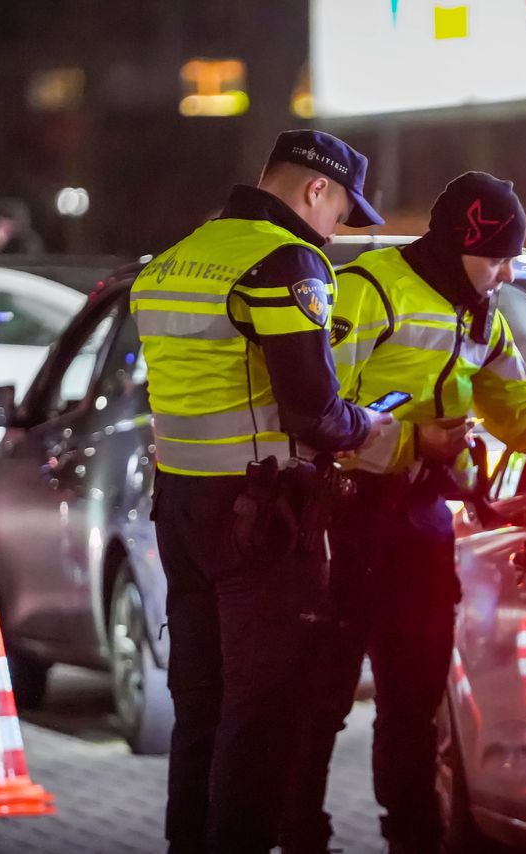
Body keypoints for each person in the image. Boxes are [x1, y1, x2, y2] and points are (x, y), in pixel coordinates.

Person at [280, 172, 526, 853]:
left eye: (513, 256)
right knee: (320, 702)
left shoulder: (482, 313)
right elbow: (318, 414)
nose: (506, 272)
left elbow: (520, 413)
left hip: (418, 525)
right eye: (496, 256)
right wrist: (410, 441)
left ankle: (414, 839)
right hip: (345, 522)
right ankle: (301, 836)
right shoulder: (370, 292)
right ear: (456, 244)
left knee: (414, 707)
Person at [129, 128, 392, 853]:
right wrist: (370, 424)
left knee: (202, 713)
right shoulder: (285, 261)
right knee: (263, 715)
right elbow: (313, 410)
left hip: (181, 511)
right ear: (315, 189)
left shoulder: (179, 257)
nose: (337, 231)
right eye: (341, 210)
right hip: (258, 520)